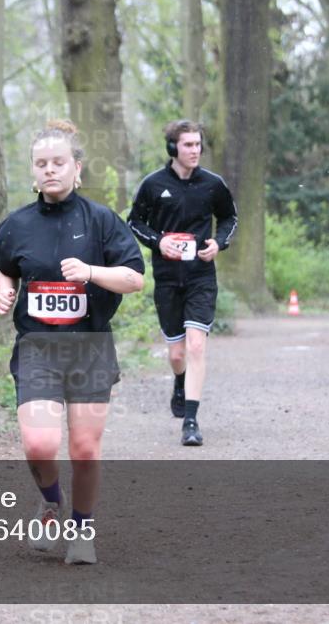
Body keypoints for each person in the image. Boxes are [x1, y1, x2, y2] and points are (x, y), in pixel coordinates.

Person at [0, 119, 145, 565]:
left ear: (77, 168)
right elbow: (6, 266)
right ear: (33, 171)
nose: (50, 171)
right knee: (39, 444)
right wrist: (5, 289)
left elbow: (135, 278)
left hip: (90, 347)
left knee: (83, 448)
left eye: (59, 162)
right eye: (41, 164)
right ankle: (49, 503)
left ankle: (82, 529)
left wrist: (92, 272)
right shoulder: (16, 224)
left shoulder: (101, 220)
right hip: (38, 347)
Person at [127, 120, 237, 447]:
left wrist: (219, 243)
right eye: (187, 145)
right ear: (173, 148)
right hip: (167, 278)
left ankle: (190, 421)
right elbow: (135, 221)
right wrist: (158, 242)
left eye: (198, 144)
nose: (194, 151)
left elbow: (230, 218)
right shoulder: (153, 184)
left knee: (197, 345)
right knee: (177, 354)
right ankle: (179, 380)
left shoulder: (213, 184)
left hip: (201, 276)